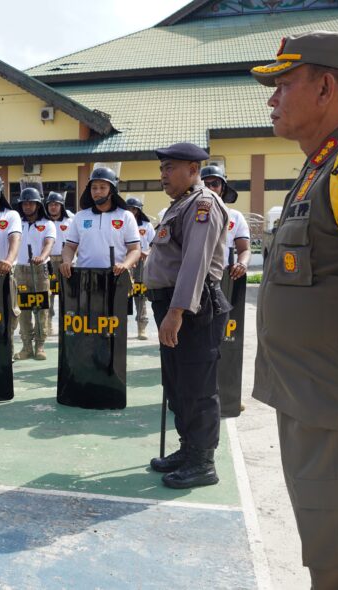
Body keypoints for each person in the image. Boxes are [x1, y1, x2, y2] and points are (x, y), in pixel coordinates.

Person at [250, 31, 338, 589]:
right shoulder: (318, 169)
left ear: (326, 87)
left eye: (284, 84)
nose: (272, 98)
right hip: (312, 404)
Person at [144, 142, 230, 489]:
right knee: (177, 384)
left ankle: (202, 462)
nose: (163, 174)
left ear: (193, 170)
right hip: (174, 305)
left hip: (195, 308)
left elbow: (195, 263)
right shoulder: (179, 206)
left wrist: (177, 311)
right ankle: (187, 448)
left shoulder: (202, 205)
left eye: (170, 167)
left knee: (198, 385)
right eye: (162, 168)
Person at [60, 167, 141, 280]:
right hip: (85, 278)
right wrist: (67, 261)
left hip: (116, 277)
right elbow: (69, 246)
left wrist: (125, 265)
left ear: (112, 190)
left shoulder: (126, 216)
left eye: (102, 187)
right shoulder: (80, 216)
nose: (97, 191)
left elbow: (135, 249)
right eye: (94, 188)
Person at [13, 187, 55, 361]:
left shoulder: (47, 224)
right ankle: (26, 347)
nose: (27, 206)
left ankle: (40, 345)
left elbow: (48, 244)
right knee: (22, 309)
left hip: (40, 271)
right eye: (24, 203)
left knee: (41, 309)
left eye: (31, 203)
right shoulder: (16, 223)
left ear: (38, 205)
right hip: (20, 270)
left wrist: (42, 257)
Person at [200, 165, 251, 279]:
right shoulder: (188, 214)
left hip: (223, 276)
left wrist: (242, 264)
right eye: (205, 184)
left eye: (215, 184)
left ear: (223, 188)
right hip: (194, 276)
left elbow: (244, 250)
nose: (210, 188)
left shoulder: (235, 217)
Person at [125, 196, 155, 340]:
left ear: (138, 210)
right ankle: (120, 326)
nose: (131, 211)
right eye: (129, 208)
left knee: (140, 296)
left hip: (142, 263)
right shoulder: (121, 223)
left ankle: (141, 327)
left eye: (134, 208)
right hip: (126, 263)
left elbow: (154, 244)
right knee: (123, 294)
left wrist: (146, 252)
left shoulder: (146, 225)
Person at [44, 191, 73, 335]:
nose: (53, 207)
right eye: (51, 204)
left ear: (62, 206)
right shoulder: (43, 221)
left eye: (56, 205)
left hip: (65, 262)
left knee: (66, 294)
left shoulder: (70, 221)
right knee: (48, 294)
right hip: (48, 261)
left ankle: (65, 323)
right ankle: (47, 325)